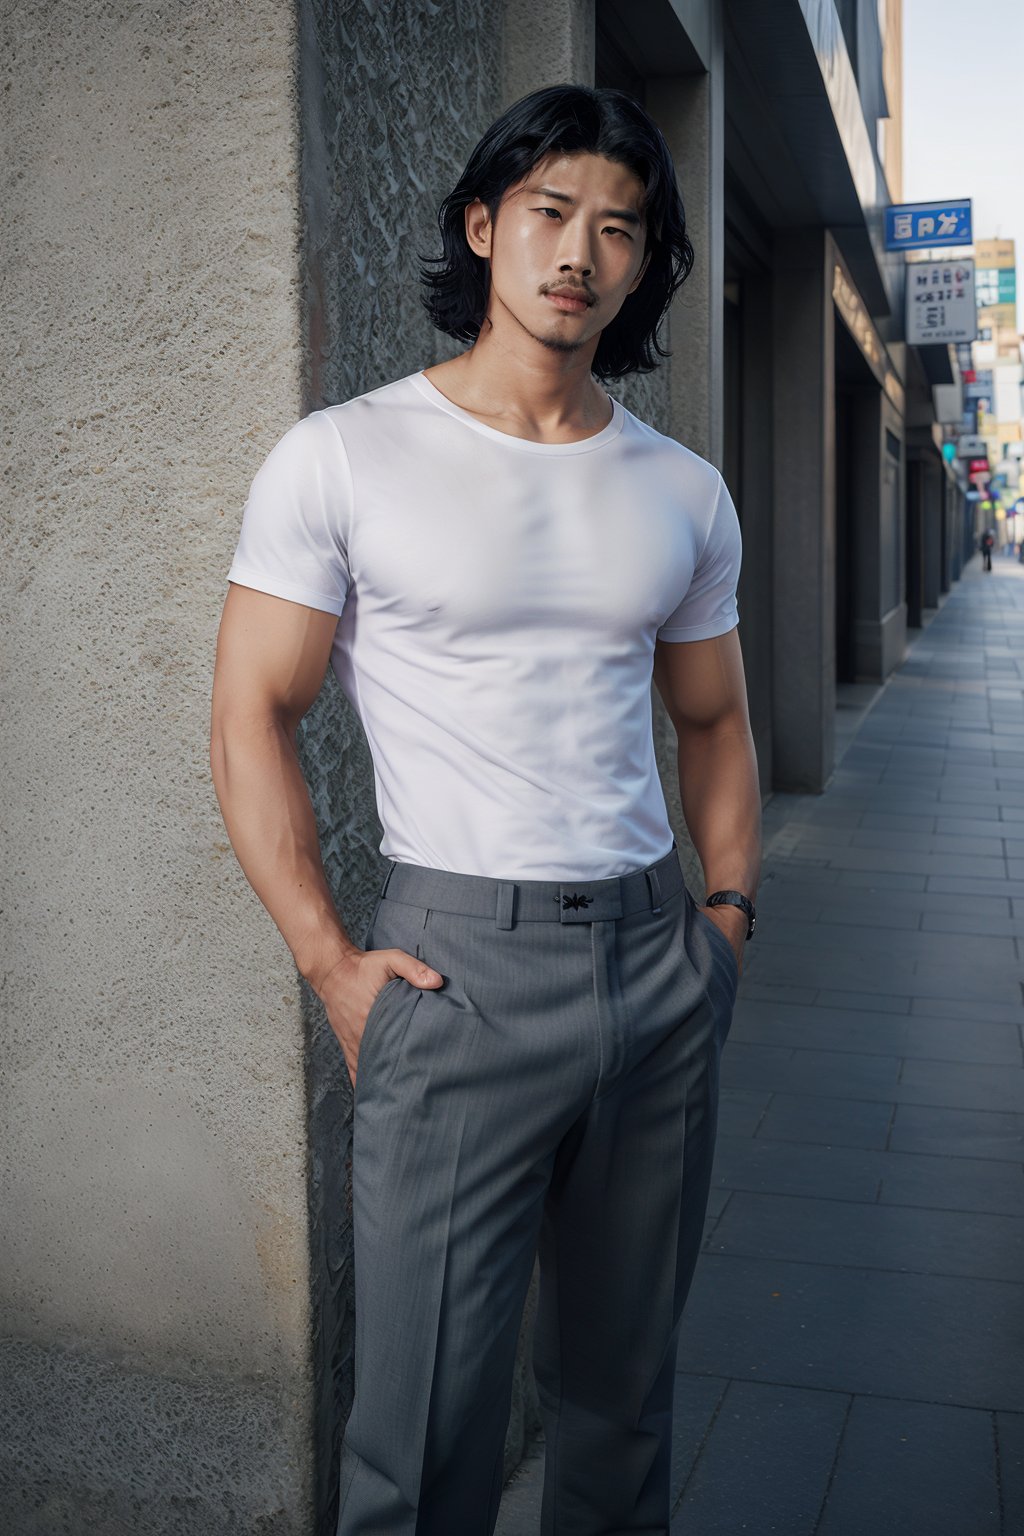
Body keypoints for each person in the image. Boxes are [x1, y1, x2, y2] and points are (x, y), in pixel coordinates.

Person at [211, 83, 761, 1536]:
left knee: (621, 1413)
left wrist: (726, 920)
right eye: (551, 212)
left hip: (657, 965)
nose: (581, 251)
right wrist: (331, 962)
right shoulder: (344, 455)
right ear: (485, 225)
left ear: (644, 267)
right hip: (455, 978)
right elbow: (251, 713)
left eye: (620, 229)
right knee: (420, 1439)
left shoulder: (684, 492)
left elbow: (713, 724)